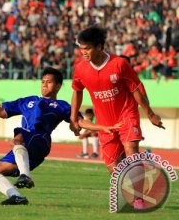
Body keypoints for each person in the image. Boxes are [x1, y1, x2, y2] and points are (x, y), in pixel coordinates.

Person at [0, 67, 119, 205]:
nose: (44, 85)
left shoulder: (61, 106)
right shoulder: (27, 101)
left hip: (40, 140)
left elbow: (80, 122)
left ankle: (25, 176)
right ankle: (17, 197)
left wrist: (102, 127)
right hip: (25, 148)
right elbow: (1, 112)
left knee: (18, 136)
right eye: (42, 82)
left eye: (49, 82)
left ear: (58, 86)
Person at [70, 26, 164, 210]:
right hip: (105, 123)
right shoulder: (80, 69)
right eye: (81, 48)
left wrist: (150, 114)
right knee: (114, 168)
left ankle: (138, 198)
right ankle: (143, 163)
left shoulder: (119, 64)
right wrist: (74, 118)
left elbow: (136, 90)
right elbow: (77, 91)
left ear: (99, 46)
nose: (83, 52)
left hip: (127, 114)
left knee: (131, 149)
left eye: (87, 48)